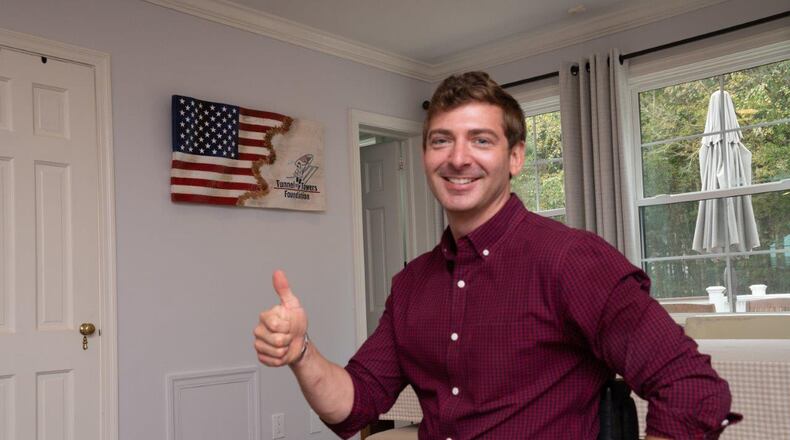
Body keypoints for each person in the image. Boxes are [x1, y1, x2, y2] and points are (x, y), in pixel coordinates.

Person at [254, 71, 740, 439]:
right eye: (441, 140)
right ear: (426, 158)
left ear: (515, 158)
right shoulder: (411, 285)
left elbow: (694, 390)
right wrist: (301, 353)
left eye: (481, 140)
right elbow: (354, 404)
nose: (458, 158)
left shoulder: (573, 261)